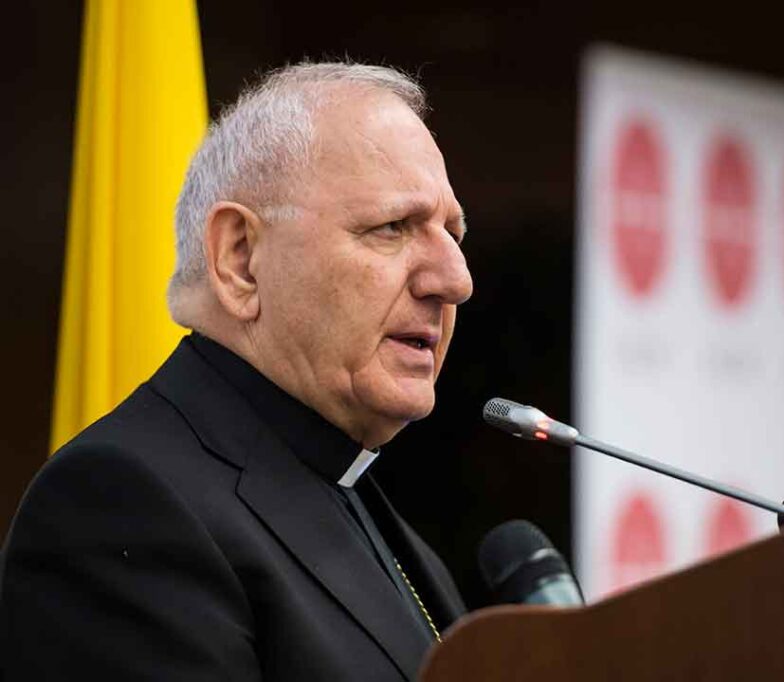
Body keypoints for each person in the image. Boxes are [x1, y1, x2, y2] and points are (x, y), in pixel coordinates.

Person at [1, 61, 474, 681]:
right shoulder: (122, 507)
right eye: (391, 227)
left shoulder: (378, 516)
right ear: (241, 260)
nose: (455, 281)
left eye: (453, 235)